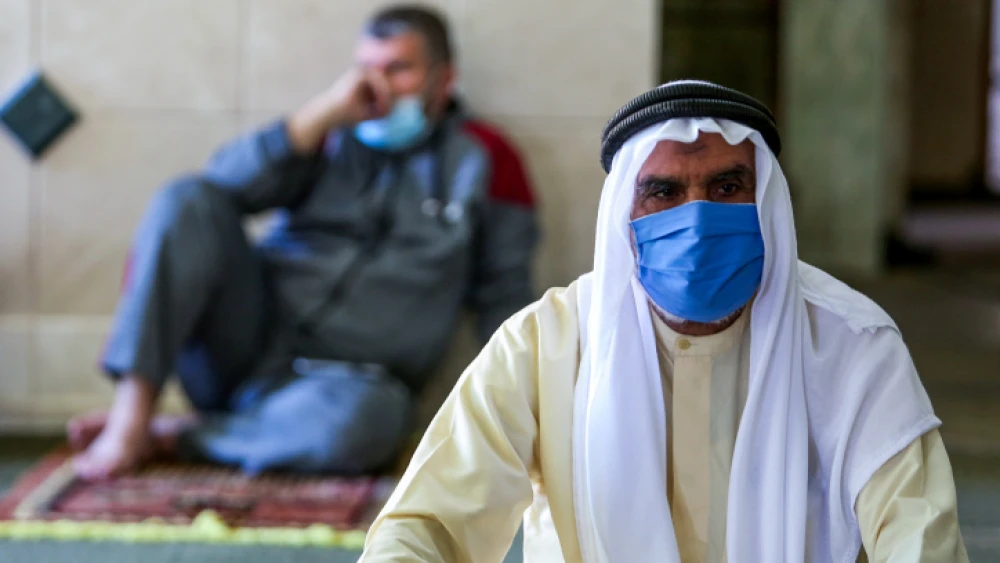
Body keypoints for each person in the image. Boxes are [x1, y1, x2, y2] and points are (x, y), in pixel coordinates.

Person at [359, 81, 969, 562]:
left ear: (765, 203)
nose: (697, 219)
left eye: (727, 187)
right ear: (624, 215)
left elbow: (918, 540)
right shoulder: (545, 343)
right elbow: (429, 525)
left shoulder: (852, 345)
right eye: (664, 192)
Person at [68, 4, 538, 480]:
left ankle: (182, 436)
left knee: (367, 427)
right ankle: (130, 418)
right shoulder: (326, 134)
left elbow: (505, 295)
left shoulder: (489, 158)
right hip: (243, 348)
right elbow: (214, 190)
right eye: (367, 68)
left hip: (349, 388)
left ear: (445, 78)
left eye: (399, 69)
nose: (379, 86)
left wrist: (519, 414)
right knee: (185, 197)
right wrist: (319, 118)